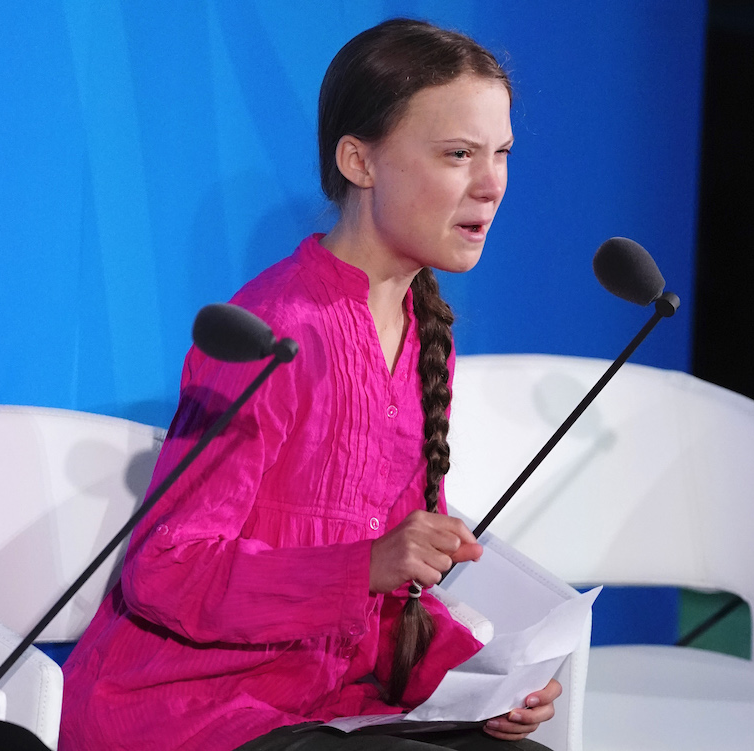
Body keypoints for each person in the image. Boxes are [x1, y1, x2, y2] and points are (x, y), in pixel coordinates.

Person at [59, 17, 562, 751]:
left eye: (502, 154)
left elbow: (394, 597)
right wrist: (367, 563)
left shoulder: (426, 336)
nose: (491, 186)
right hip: (191, 712)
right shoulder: (271, 333)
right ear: (360, 160)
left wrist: (482, 680)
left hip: (326, 703)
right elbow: (165, 572)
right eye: (458, 154)